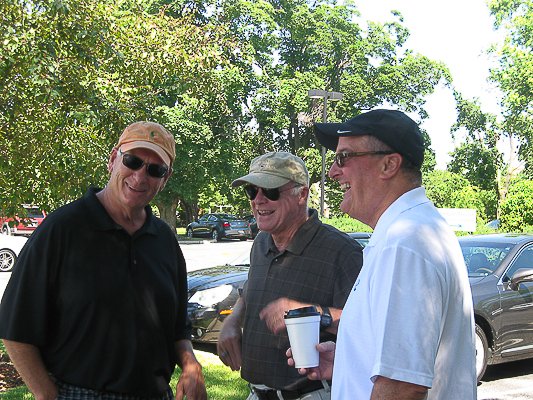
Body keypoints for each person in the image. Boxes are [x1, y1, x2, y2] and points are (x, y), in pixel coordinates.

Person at [0, 121, 206, 400]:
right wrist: (45, 394)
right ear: (112, 160)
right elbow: (15, 324)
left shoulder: (164, 240)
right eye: (132, 161)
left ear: (165, 178)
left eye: (155, 169)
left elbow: (177, 326)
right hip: (79, 393)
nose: (140, 176)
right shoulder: (62, 228)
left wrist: (190, 364)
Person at [289, 109, 476, 399]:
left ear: (389, 165)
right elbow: (405, 364)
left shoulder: (405, 241)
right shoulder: (414, 230)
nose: (333, 171)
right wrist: (349, 362)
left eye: (344, 157)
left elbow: (404, 386)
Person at [217, 151, 364, 400]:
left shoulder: (342, 252)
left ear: (302, 195)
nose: (258, 200)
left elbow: (366, 327)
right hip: (256, 394)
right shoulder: (261, 242)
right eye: (252, 191)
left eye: (270, 191)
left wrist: (306, 313)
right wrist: (232, 321)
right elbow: (251, 290)